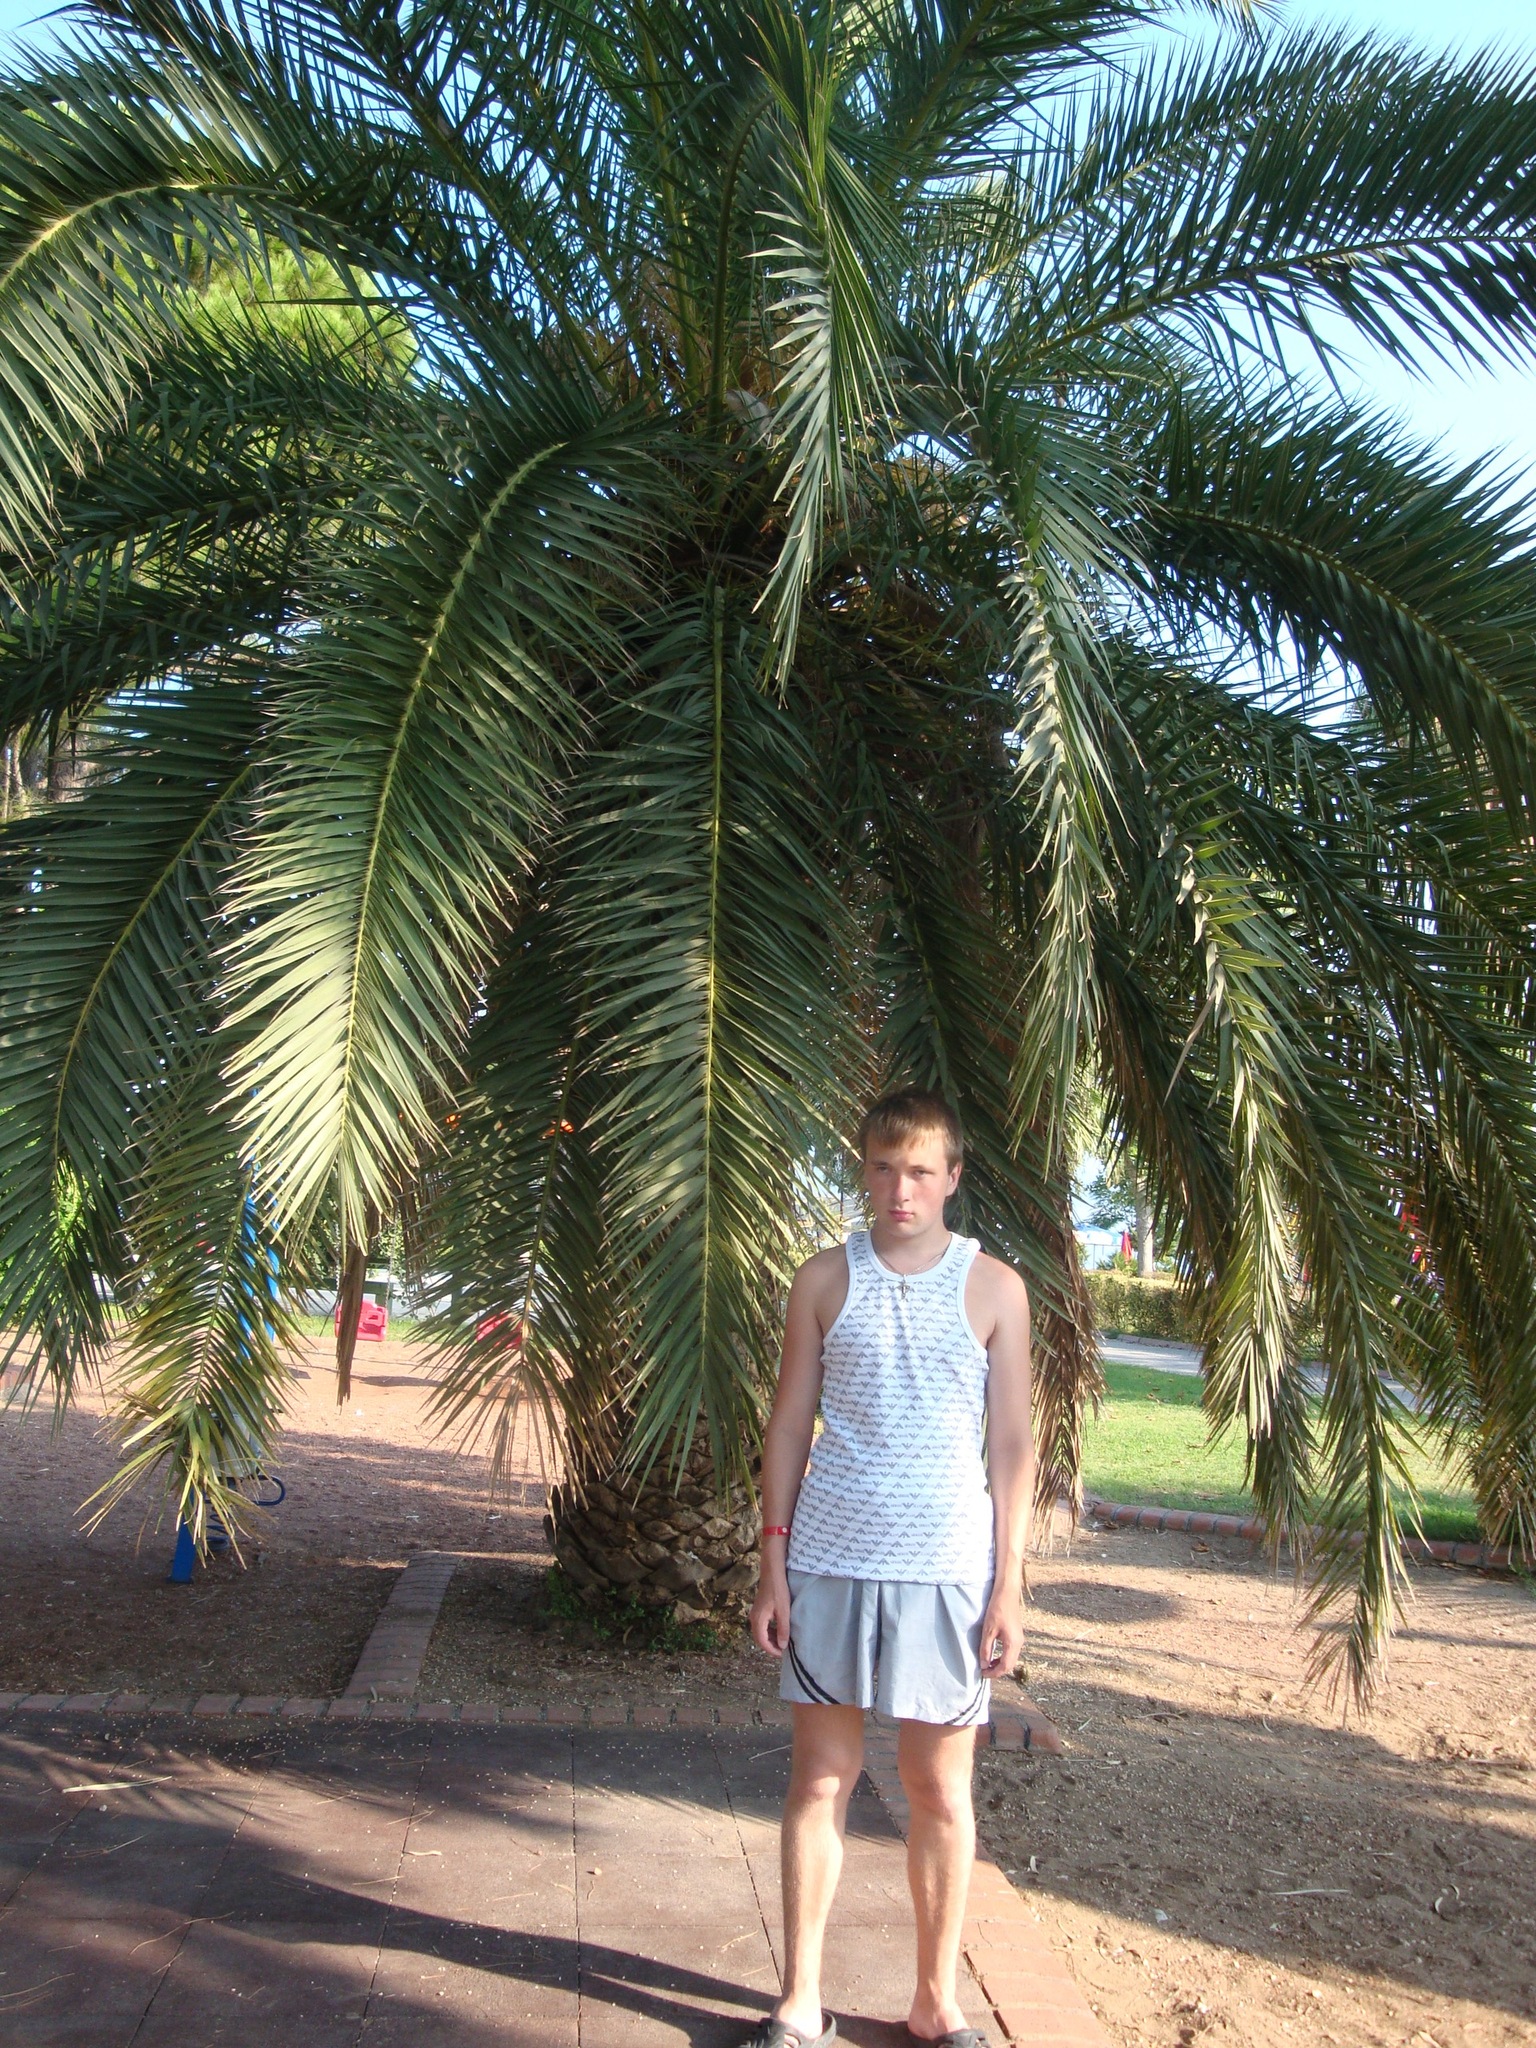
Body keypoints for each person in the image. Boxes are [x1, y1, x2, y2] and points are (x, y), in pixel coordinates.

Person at [741, 1088, 1035, 2048]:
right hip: (829, 1560)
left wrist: (1009, 1584)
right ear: (862, 1171)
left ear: (952, 1177)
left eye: (919, 1171)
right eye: (882, 1168)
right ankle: (799, 1999)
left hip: (948, 1573)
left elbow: (1012, 1445)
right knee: (821, 1780)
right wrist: (773, 1561)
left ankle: (935, 2002)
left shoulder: (996, 1289)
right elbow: (789, 1423)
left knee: (939, 1791)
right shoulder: (824, 1280)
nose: (900, 1188)